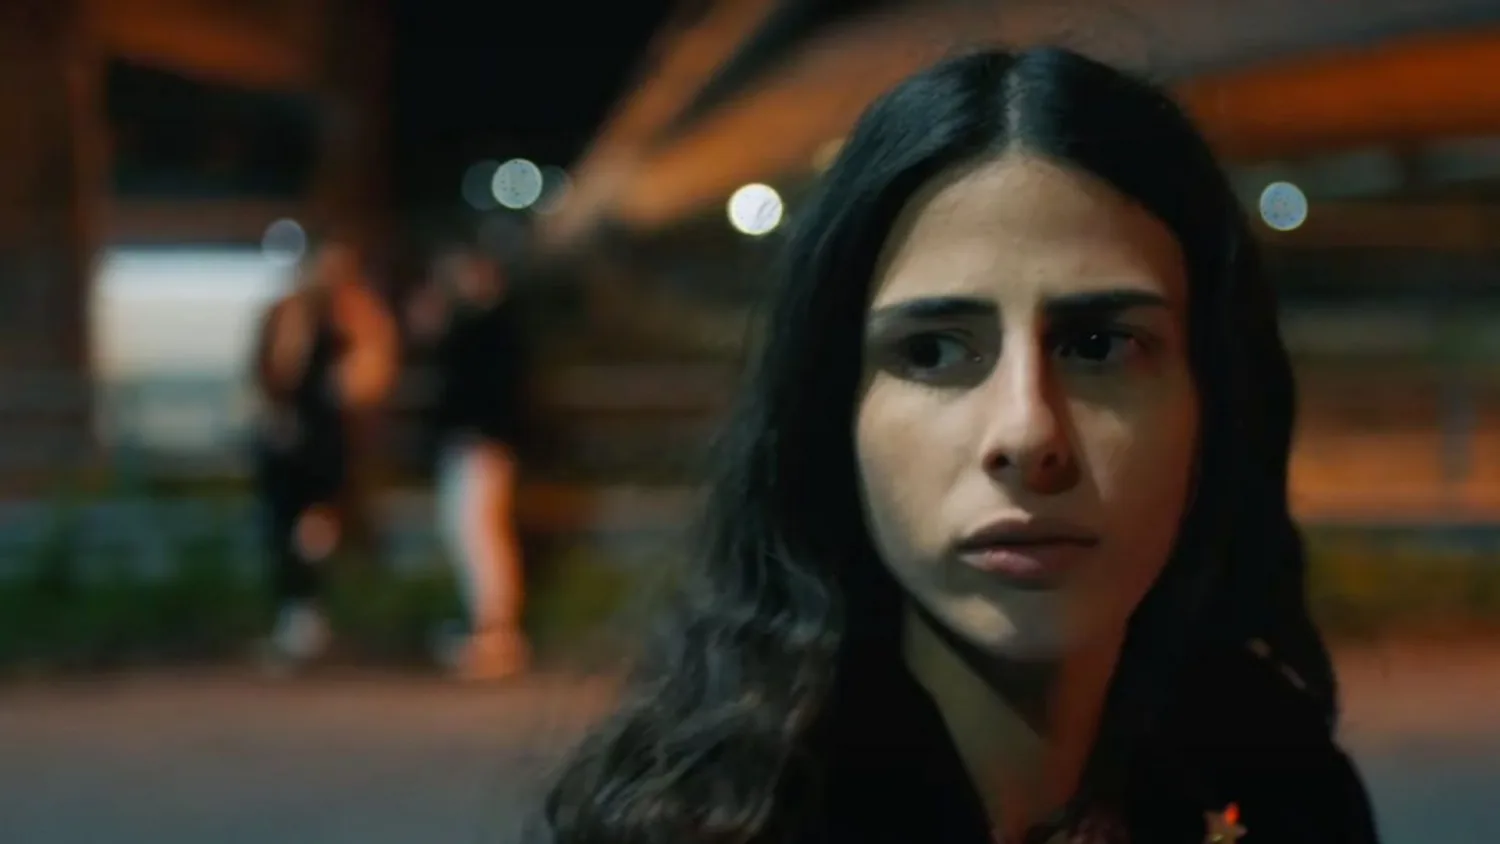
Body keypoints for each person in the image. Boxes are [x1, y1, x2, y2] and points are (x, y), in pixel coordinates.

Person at [542, 47, 1380, 844]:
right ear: (831, 409)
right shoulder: (710, 823)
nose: (1027, 432)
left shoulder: (1282, 790)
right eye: (934, 351)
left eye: (1098, 346)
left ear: (1215, 399)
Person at [251, 239, 399, 668]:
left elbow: (368, 379)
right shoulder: (288, 314)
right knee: (288, 529)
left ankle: (315, 617)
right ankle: (301, 618)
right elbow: (270, 373)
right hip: (291, 443)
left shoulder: (358, 318)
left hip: (332, 444)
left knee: (322, 526)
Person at [408, 244, 530, 681]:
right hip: (470, 443)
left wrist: (483, 433)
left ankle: (496, 632)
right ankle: (488, 628)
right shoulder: (476, 325)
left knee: (479, 533)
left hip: (482, 445)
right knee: (468, 532)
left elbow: (493, 389)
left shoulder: (495, 326)